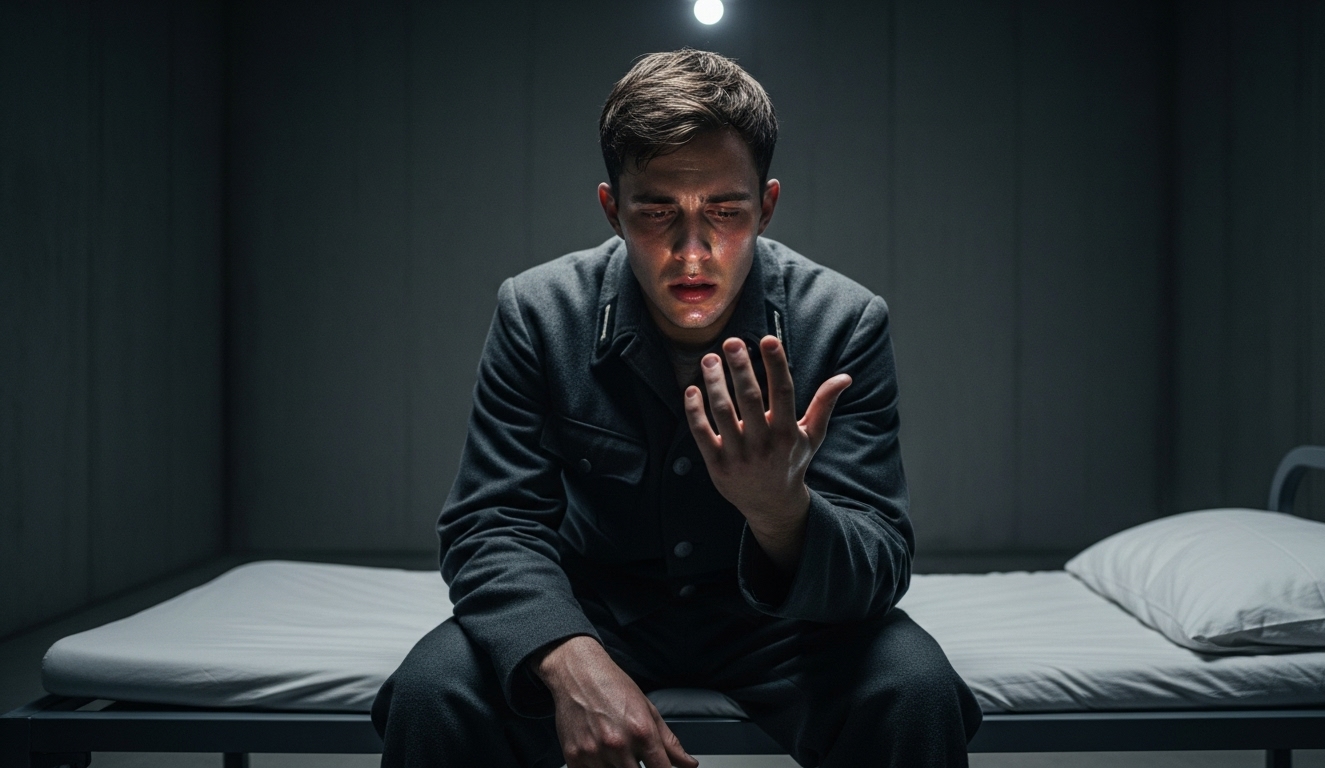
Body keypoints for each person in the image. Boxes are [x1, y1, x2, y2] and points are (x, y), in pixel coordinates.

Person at [372, 48, 981, 768]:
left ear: (767, 206)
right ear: (612, 210)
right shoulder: (538, 312)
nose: (692, 254)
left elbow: (880, 560)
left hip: (784, 627)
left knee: (914, 689)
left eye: (725, 212)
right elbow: (490, 523)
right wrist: (571, 659)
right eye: (658, 212)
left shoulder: (844, 322)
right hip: (595, 610)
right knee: (431, 692)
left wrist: (782, 513)